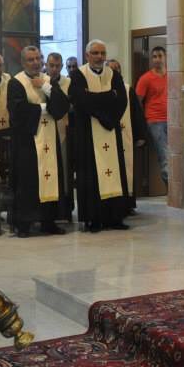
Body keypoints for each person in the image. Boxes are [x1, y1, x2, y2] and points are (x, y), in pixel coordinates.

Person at [7, 46, 70, 237]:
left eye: (38, 59)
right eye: (30, 60)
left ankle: (48, 221)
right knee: (28, 181)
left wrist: (45, 87)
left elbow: (61, 107)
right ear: (23, 62)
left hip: (50, 140)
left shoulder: (48, 81)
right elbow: (17, 111)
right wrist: (44, 108)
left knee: (50, 178)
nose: (35, 63)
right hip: (28, 142)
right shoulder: (16, 82)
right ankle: (24, 223)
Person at [69, 40, 130, 232]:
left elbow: (121, 100)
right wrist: (107, 99)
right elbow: (80, 101)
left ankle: (115, 217)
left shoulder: (114, 74)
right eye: (95, 53)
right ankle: (93, 219)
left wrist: (97, 102)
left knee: (114, 172)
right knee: (91, 175)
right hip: (88, 133)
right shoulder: (78, 75)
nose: (99, 57)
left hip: (110, 130)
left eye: (102, 53)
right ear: (87, 56)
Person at [108, 58, 147, 212]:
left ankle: (127, 203)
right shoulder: (100, 88)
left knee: (127, 169)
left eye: (117, 68)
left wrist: (140, 135)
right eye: (111, 69)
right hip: (107, 137)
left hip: (126, 136)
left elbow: (137, 113)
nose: (115, 71)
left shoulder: (127, 89)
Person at [134, 45, 168, 185]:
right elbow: (137, 102)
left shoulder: (172, 75)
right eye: (154, 57)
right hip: (155, 121)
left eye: (160, 56)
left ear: (165, 57)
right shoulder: (145, 78)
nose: (157, 59)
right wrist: (142, 124)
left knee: (175, 156)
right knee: (165, 157)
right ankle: (172, 195)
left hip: (172, 121)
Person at [46, 52, 74, 215]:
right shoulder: (41, 81)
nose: (54, 69)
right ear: (46, 66)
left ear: (62, 67)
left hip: (64, 129)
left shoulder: (68, 83)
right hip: (46, 131)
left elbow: (72, 105)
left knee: (64, 167)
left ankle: (64, 206)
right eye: (51, 66)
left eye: (57, 66)